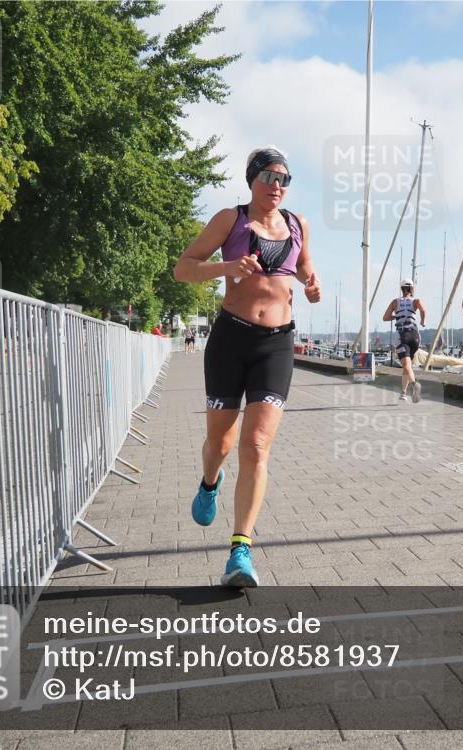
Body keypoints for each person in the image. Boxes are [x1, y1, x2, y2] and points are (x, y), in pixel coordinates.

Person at [173, 146, 321, 587]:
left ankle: (241, 549)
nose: (278, 186)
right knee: (220, 443)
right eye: (270, 177)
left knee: (256, 446)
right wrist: (227, 265)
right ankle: (209, 481)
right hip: (230, 340)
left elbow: (306, 268)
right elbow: (184, 269)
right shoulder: (229, 219)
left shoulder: (297, 225)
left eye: (285, 179)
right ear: (252, 180)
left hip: (277, 344)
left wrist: (311, 285)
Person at [382, 279, 426, 402]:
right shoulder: (416, 301)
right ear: (412, 289)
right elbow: (423, 310)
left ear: (401, 289)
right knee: (408, 366)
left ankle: (414, 384)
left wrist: (397, 315)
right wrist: (423, 321)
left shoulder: (395, 302)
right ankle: (403, 393)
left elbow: (385, 317)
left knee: (406, 365)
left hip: (403, 335)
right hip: (415, 336)